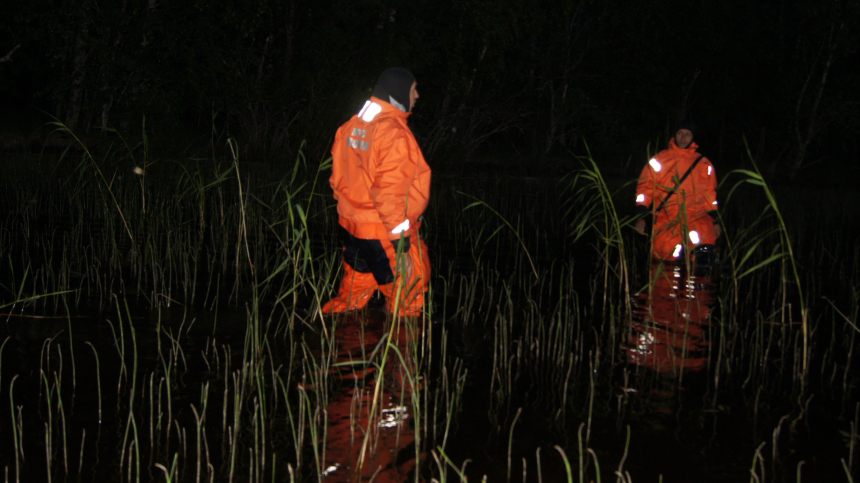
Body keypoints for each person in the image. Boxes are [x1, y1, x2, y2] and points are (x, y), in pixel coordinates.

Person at [322, 67, 431, 317]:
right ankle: (401, 352)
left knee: (351, 298)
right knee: (408, 301)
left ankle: (335, 344)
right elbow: (390, 195)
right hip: (385, 234)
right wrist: (401, 245)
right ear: (398, 93)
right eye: (413, 90)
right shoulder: (393, 133)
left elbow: (337, 180)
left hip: (353, 231)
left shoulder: (351, 126)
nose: (417, 96)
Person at [634, 120, 720, 262]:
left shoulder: (704, 163)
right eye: (680, 133)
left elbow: (710, 196)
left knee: (703, 259)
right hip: (666, 219)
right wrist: (641, 216)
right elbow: (645, 189)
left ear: (693, 137)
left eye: (687, 134)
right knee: (663, 260)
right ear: (674, 135)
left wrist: (715, 221)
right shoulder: (659, 160)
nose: (683, 138)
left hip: (696, 218)